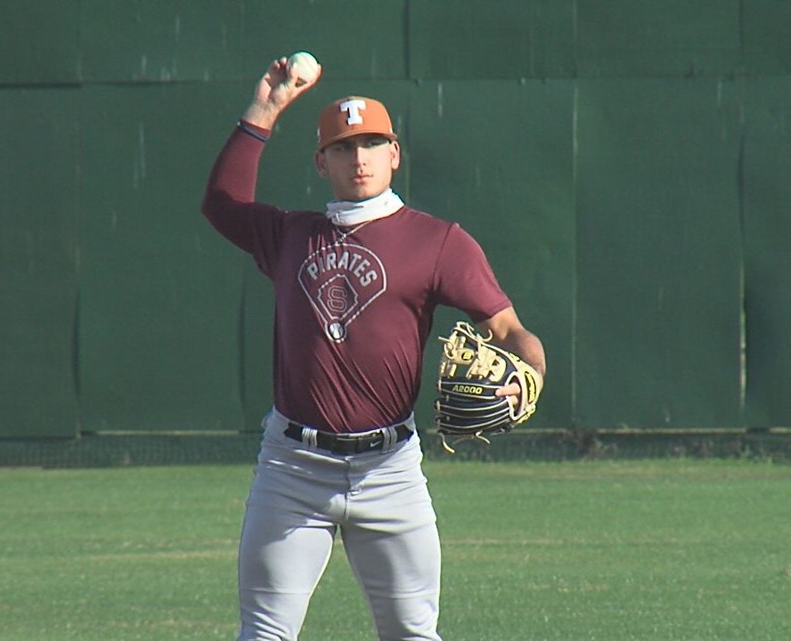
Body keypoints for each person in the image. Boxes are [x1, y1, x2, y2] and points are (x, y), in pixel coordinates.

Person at [201, 55, 546, 641]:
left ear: (394, 153)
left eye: (370, 143)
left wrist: (528, 376)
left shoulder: (438, 242)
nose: (357, 157)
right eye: (342, 147)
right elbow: (223, 203)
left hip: (391, 470)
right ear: (321, 162)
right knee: (263, 635)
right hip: (292, 469)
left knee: (414, 635)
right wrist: (267, 104)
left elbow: (511, 332)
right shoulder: (290, 236)